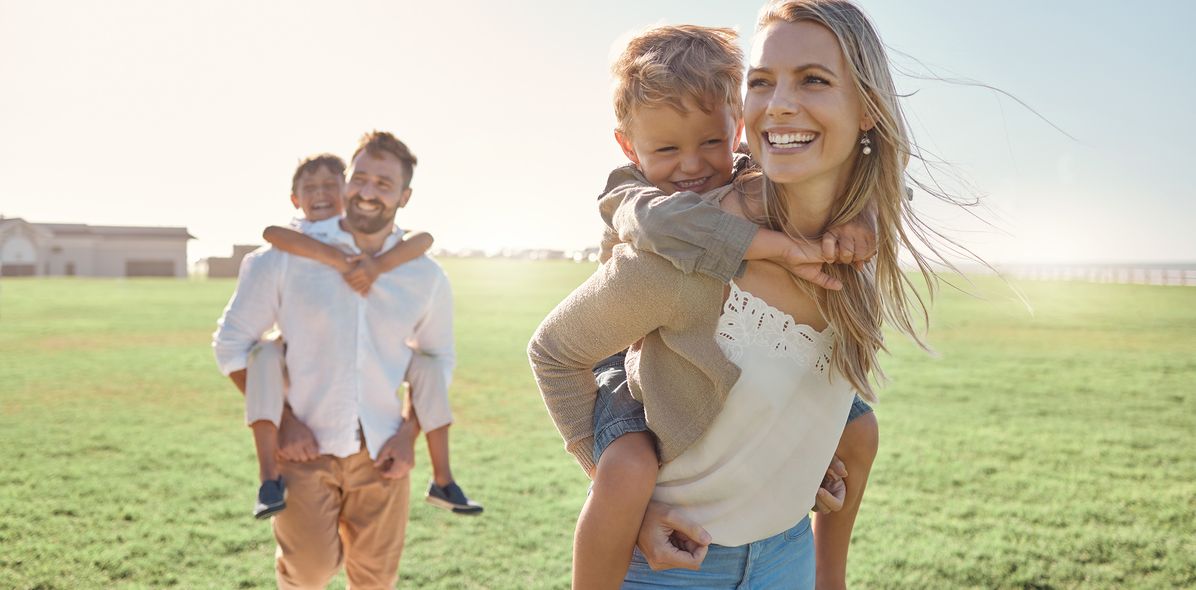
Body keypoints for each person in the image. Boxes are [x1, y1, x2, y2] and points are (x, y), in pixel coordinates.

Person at [530, 1, 954, 586]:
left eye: (813, 79)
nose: (691, 166)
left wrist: (792, 458)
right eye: (763, 81)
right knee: (626, 468)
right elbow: (555, 347)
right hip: (674, 561)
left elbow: (877, 183)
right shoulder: (675, 239)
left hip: (787, 556)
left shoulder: (854, 235)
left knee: (859, 426)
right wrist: (616, 488)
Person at [214, 131, 454, 588]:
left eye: (383, 184)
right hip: (304, 448)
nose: (367, 191)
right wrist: (283, 420)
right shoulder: (282, 260)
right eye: (359, 178)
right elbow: (231, 345)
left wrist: (408, 434)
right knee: (308, 572)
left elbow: (437, 359)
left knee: (375, 580)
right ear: (346, 182)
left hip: (383, 453)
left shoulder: (425, 275)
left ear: (405, 196)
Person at [241, 152, 481, 519]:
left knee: (430, 365)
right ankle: (268, 478)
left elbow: (424, 238)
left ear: (344, 193)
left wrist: (377, 266)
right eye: (310, 189)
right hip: (298, 377)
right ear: (296, 199)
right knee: (264, 355)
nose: (321, 196)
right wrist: (339, 262)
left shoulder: (375, 242)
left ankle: (443, 478)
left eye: (330, 187)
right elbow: (272, 234)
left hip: (376, 433)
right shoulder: (300, 239)